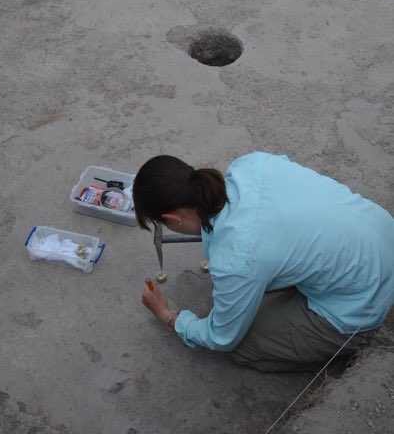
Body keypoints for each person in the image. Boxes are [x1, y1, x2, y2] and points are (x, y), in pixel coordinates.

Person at [133, 152, 394, 372]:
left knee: (242, 345)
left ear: (173, 217)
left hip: (367, 304)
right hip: (382, 240)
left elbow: (222, 337)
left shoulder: (235, 259)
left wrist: (169, 317)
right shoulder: (251, 164)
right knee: (253, 293)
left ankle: (344, 352)